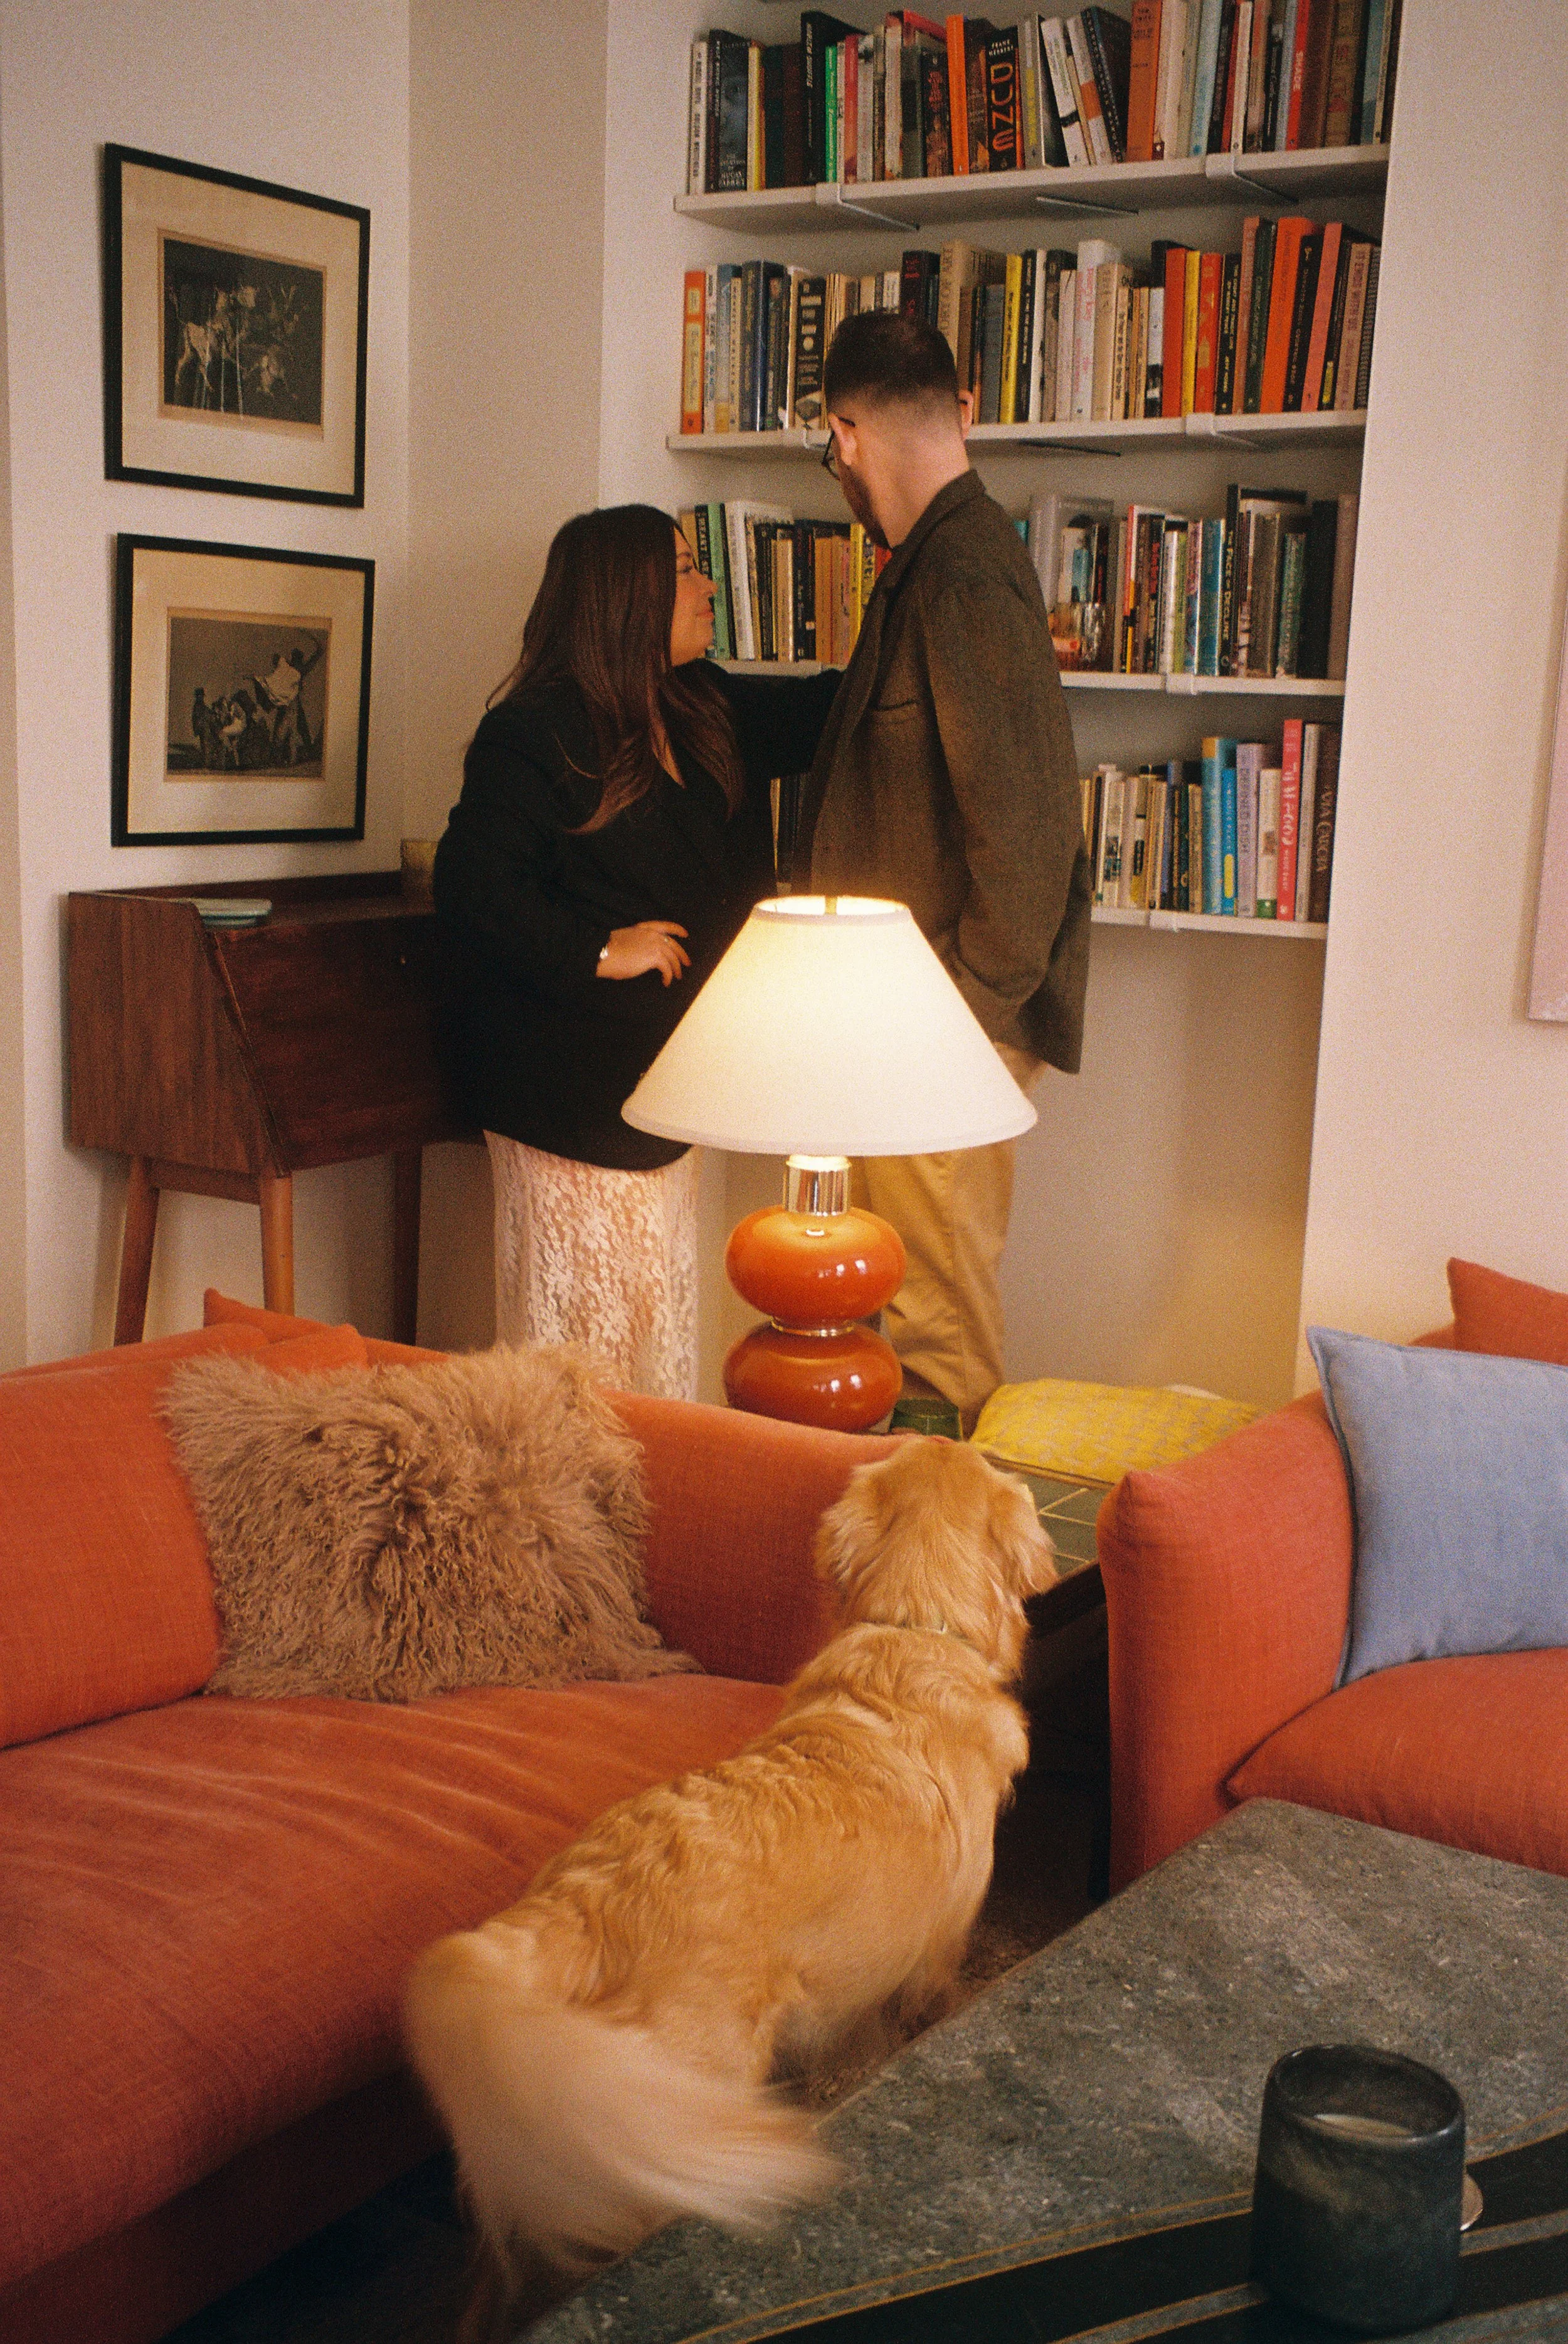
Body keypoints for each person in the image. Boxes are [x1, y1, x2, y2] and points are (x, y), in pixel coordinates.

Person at [433, 504, 829, 1398]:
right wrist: (595, 952)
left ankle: (646, 1525)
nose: (709, 586)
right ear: (627, 596)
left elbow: (825, 711)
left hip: (662, 1089)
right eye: (687, 569)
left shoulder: (705, 707)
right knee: (578, 1352)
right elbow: (472, 886)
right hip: (564, 1093)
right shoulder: (533, 732)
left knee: (653, 1340)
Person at [799, 309, 1092, 1429]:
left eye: (832, 454)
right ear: (963, 409)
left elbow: (1022, 852)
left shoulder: (961, 577)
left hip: (943, 1027)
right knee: (899, 1317)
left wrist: (947, 1027)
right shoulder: (939, 564)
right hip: (913, 1026)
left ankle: (947, 1594)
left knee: (933, 1341)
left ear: (846, 434)